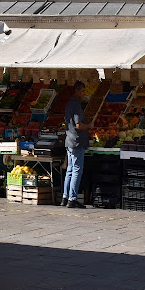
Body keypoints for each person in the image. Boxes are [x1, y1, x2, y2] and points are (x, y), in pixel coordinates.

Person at [62, 80, 91, 208]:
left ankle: (65, 197)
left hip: (69, 140)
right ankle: (72, 199)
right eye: (83, 91)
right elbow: (79, 125)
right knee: (76, 170)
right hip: (76, 142)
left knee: (70, 170)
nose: (84, 93)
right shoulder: (76, 106)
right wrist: (89, 125)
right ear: (77, 91)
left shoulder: (69, 103)